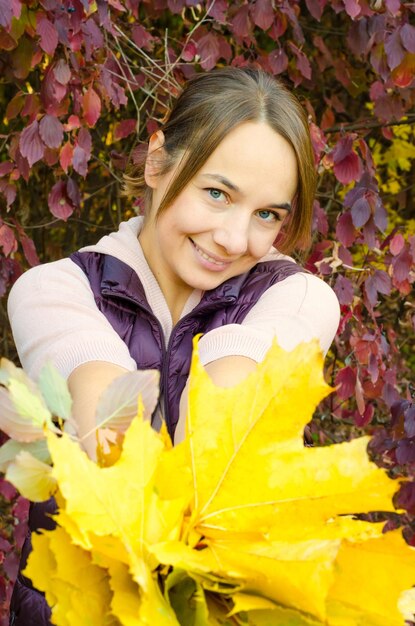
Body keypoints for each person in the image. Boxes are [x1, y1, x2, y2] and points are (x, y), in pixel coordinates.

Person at [7, 67, 340, 624]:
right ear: (157, 161)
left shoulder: (300, 299)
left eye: (266, 215)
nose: (234, 239)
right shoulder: (54, 290)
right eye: (217, 194)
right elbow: (109, 440)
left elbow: (217, 439)